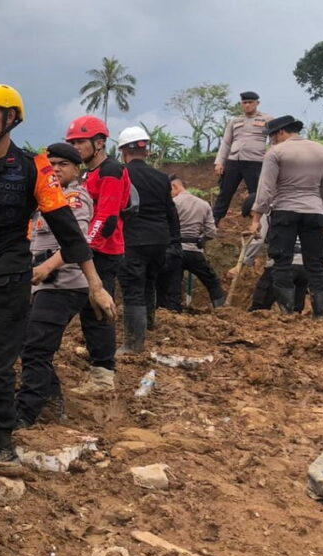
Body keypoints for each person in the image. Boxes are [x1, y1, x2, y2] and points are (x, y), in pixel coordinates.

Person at [0, 85, 114, 469]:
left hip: (11, 280)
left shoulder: (35, 168)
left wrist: (95, 285)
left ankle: (0, 445)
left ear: (11, 118)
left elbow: (67, 229)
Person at [15, 143, 99, 427]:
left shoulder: (73, 198)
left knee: (36, 349)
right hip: (45, 285)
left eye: (63, 164)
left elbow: (77, 239)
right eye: (51, 164)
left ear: (77, 169)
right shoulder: (47, 198)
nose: (56, 169)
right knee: (29, 343)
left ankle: (25, 412)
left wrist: (47, 267)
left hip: (63, 284)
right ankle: (51, 401)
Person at [65, 115, 131, 392]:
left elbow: (107, 217)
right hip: (89, 250)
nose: (76, 147)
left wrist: (84, 248)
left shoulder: (111, 171)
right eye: (73, 142)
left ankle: (103, 374)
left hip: (103, 250)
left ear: (100, 143)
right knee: (86, 309)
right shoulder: (88, 173)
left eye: (81, 142)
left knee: (98, 310)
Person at [248, 115, 323, 315]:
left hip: (285, 211)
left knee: (282, 261)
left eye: (272, 136)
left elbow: (265, 189)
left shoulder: (276, 152)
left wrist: (256, 219)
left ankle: (287, 313)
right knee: (316, 263)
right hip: (315, 211)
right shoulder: (322, 151)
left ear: (281, 132)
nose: (271, 141)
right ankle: (320, 315)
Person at [117, 126, 180, 353]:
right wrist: (175, 241)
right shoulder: (162, 178)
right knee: (149, 282)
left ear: (123, 150)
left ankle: (134, 343)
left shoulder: (121, 174)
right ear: (146, 150)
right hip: (159, 240)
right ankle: (148, 326)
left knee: (132, 288)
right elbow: (170, 211)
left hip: (133, 239)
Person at [157, 175, 225, 311]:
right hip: (195, 251)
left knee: (173, 287)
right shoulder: (204, 204)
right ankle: (222, 310)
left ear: (174, 186)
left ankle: (173, 316)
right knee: (212, 282)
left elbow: (163, 227)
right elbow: (211, 232)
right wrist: (201, 239)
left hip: (174, 251)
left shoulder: (173, 204)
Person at [214, 91, 272, 224]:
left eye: (250, 102)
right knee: (225, 192)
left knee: (257, 194)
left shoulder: (267, 119)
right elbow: (226, 142)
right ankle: (215, 220)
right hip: (234, 161)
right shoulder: (235, 120)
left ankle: (261, 223)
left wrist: (270, 158)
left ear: (257, 103)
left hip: (256, 161)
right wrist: (220, 162)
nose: (247, 105)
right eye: (244, 103)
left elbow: (273, 140)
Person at [235, 212, 311, 312]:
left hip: (280, 265)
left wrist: (243, 262)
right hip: (305, 267)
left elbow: (258, 240)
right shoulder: (309, 211)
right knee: (295, 312)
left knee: (259, 308)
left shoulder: (268, 213)